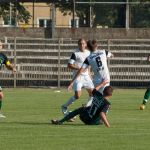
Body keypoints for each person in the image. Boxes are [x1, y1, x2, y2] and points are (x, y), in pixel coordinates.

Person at [68, 39, 113, 105]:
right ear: (97, 46)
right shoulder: (104, 52)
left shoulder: (88, 58)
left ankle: (87, 106)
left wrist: (72, 81)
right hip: (105, 79)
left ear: (87, 47)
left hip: (96, 81)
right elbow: (112, 55)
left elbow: (81, 70)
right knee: (102, 99)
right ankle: (89, 108)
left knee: (93, 97)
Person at [61, 38, 94, 115]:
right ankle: (64, 106)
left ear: (85, 44)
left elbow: (88, 66)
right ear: (78, 44)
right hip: (78, 77)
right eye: (80, 44)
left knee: (93, 94)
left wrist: (90, 75)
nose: (81, 45)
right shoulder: (75, 53)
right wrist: (79, 68)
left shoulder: (89, 53)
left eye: (83, 43)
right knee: (78, 96)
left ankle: (86, 106)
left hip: (86, 77)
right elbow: (69, 65)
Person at [0, 41, 16, 118]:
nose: (0, 46)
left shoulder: (3, 56)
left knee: (0, 96)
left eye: (1, 45)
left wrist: (12, 68)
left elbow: (8, 65)